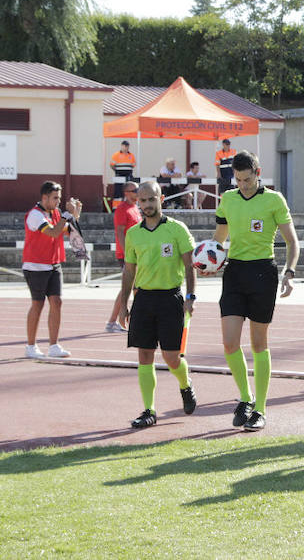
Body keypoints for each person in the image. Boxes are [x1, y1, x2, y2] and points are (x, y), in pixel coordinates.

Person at [211, 150, 300, 431]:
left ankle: (260, 409)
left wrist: (289, 273)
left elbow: (292, 242)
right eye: (238, 180)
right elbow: (218, 240)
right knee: (229, 343)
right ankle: (246, 397)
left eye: (247, 180)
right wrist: (209, 261)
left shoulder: (274, 200)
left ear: (258, 173)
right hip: (234, 273)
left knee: (259, 344)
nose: (243, 185)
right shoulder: (228, 199)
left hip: (263, 272)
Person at [118, 181, 198, 429]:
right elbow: (128, 271)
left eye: (151, 199)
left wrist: (190, 297)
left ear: (161, 199)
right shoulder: (133, 234)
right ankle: (149, 410)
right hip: (143, 299)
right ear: (138, 203)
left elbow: (189, 266)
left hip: (170, 298)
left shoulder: (177, 229)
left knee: (172, 358)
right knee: (144, 355)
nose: (147, 204)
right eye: (142, 201)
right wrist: (123, 304)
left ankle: (185, 384)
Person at [22, 181, 81, 359]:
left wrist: (75, 215)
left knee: (57, 302)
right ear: (45, 197)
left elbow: (68, 230)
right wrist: (66, 215)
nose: (58, 201)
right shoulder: (35, 215)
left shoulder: (56, 213)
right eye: (55, 198)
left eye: (59, 198)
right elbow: (54, 232)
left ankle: (54, 345)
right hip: (36, 266)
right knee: (38, 304)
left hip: (54, 263)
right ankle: (31, 346)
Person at [105, 182, 140, 332]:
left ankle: (121, 321)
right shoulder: (122, 209)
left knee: (134, 287)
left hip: (137, 254)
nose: (138, 192)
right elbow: (120, 232)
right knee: (129, 287)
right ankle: (113, 322)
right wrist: (127, 254)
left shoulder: (135, 208)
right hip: (127, 255)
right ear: (126, 192)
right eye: (135, 190)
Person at [110, 141, 135, 209]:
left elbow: (133, 165)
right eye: (125, 146)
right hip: (119, 176)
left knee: (129, 191)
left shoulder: (131, 155)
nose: (126, 148)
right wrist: (117, 171)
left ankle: (128, 207)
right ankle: (116, 207)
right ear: (122, 146)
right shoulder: (116, 155)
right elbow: (112, 165)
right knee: (118, 191)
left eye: (127, 146)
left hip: (128, 176)